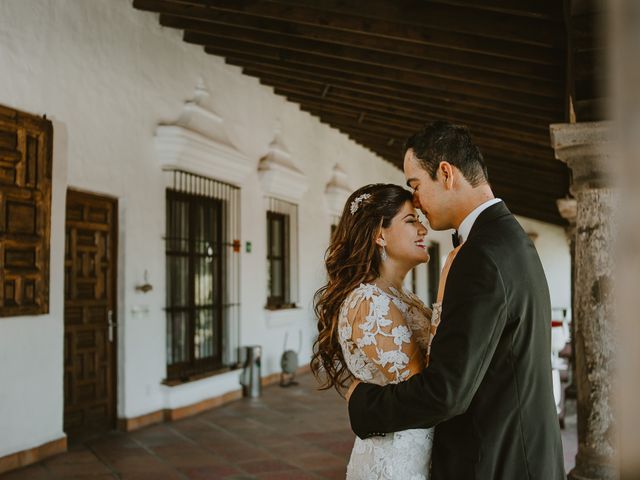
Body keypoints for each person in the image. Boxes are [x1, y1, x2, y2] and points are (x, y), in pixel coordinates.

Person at [346, 121, 565, 479]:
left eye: (416, 186)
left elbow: (447, 392)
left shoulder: (480, 253)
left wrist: (362, 404)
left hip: (496, 461)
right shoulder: (509, 237)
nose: (415, 201)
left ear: (446, 174)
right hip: (522, 454)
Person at [312, 183, 457, 479]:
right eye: (410, 220)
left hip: (419, 451)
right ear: (379, 234)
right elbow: (424, 391)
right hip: (395, 464)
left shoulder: (401, 296)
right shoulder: (368, 301)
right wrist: (445, 289)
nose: (422, 229)